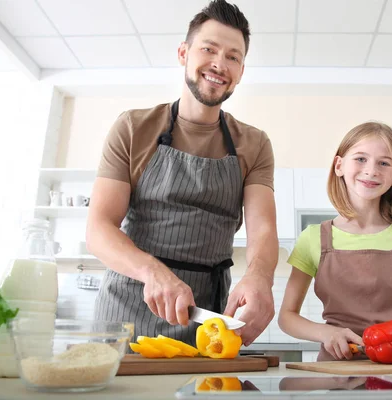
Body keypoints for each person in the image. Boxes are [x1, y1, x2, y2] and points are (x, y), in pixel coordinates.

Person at [87, 0, 277, 348]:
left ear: (241, 71)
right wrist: (153, 272)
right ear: (183, 53)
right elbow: (99, 229)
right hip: (127, 309)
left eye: (233, 57)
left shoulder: (254, 144)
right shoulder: (133, 127)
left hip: (208, 321)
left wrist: (259, 277)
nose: (220, 64)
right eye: (209, 49)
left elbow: (262, 229)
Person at [278, 122, 392, 361]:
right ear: (339, 166)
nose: (371, 170)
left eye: (384, 163)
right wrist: (326, 332)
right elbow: (287, 317)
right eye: (361, 159)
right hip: (338, 367)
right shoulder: (313, 238)